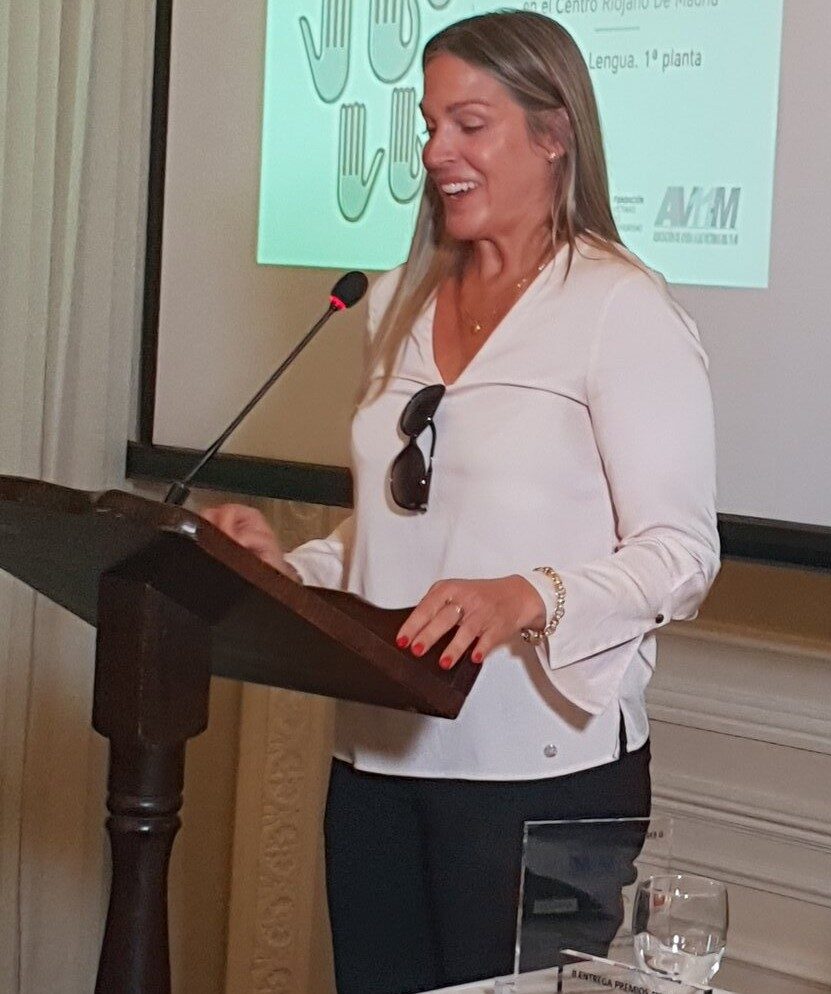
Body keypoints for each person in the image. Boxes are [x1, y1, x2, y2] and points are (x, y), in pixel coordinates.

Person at [203, 12, 718, 993]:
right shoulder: (394, 301)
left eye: (470, 124)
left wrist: (528, 595)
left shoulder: (621, 308)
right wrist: (281, 569)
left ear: (553, 133)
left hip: (544, 775)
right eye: (429, 124)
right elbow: (393, 527)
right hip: (377, 757)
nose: (438, 151)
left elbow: (681, 554)